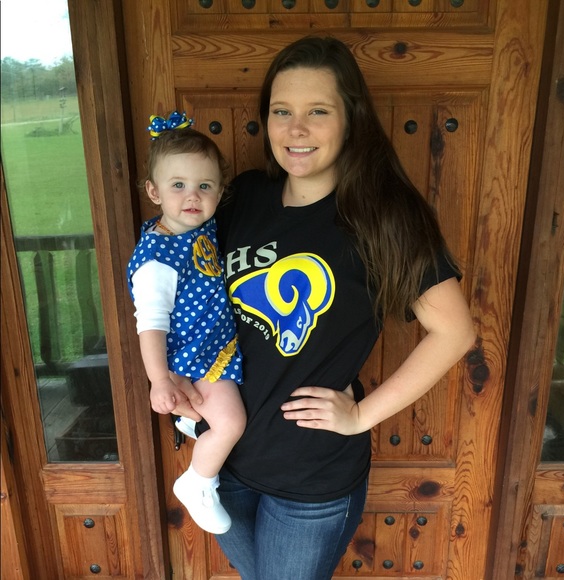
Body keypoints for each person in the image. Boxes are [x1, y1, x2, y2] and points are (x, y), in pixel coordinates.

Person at [195, 36, 475, 579]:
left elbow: (454, 332)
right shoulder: (243, 197)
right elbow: (194, 287)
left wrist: (362, 416)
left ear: (351, 120)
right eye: (282, 111)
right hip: (222, 462)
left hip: (311, 482)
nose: (295, 129)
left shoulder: (382, 216)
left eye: (317, 112)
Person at [126, 112, 245, 535]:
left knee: (223, 419)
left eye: (205, 186)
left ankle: (192, 423)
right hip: (195, 360)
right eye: (178, 185)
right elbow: (150, 325)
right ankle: (197, 483)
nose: (192, 196)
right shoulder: (157, 260)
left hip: (212, 349)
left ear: (219, 192)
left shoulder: (197, 226)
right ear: (153, 191)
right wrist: (160, 379)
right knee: (231, 423)